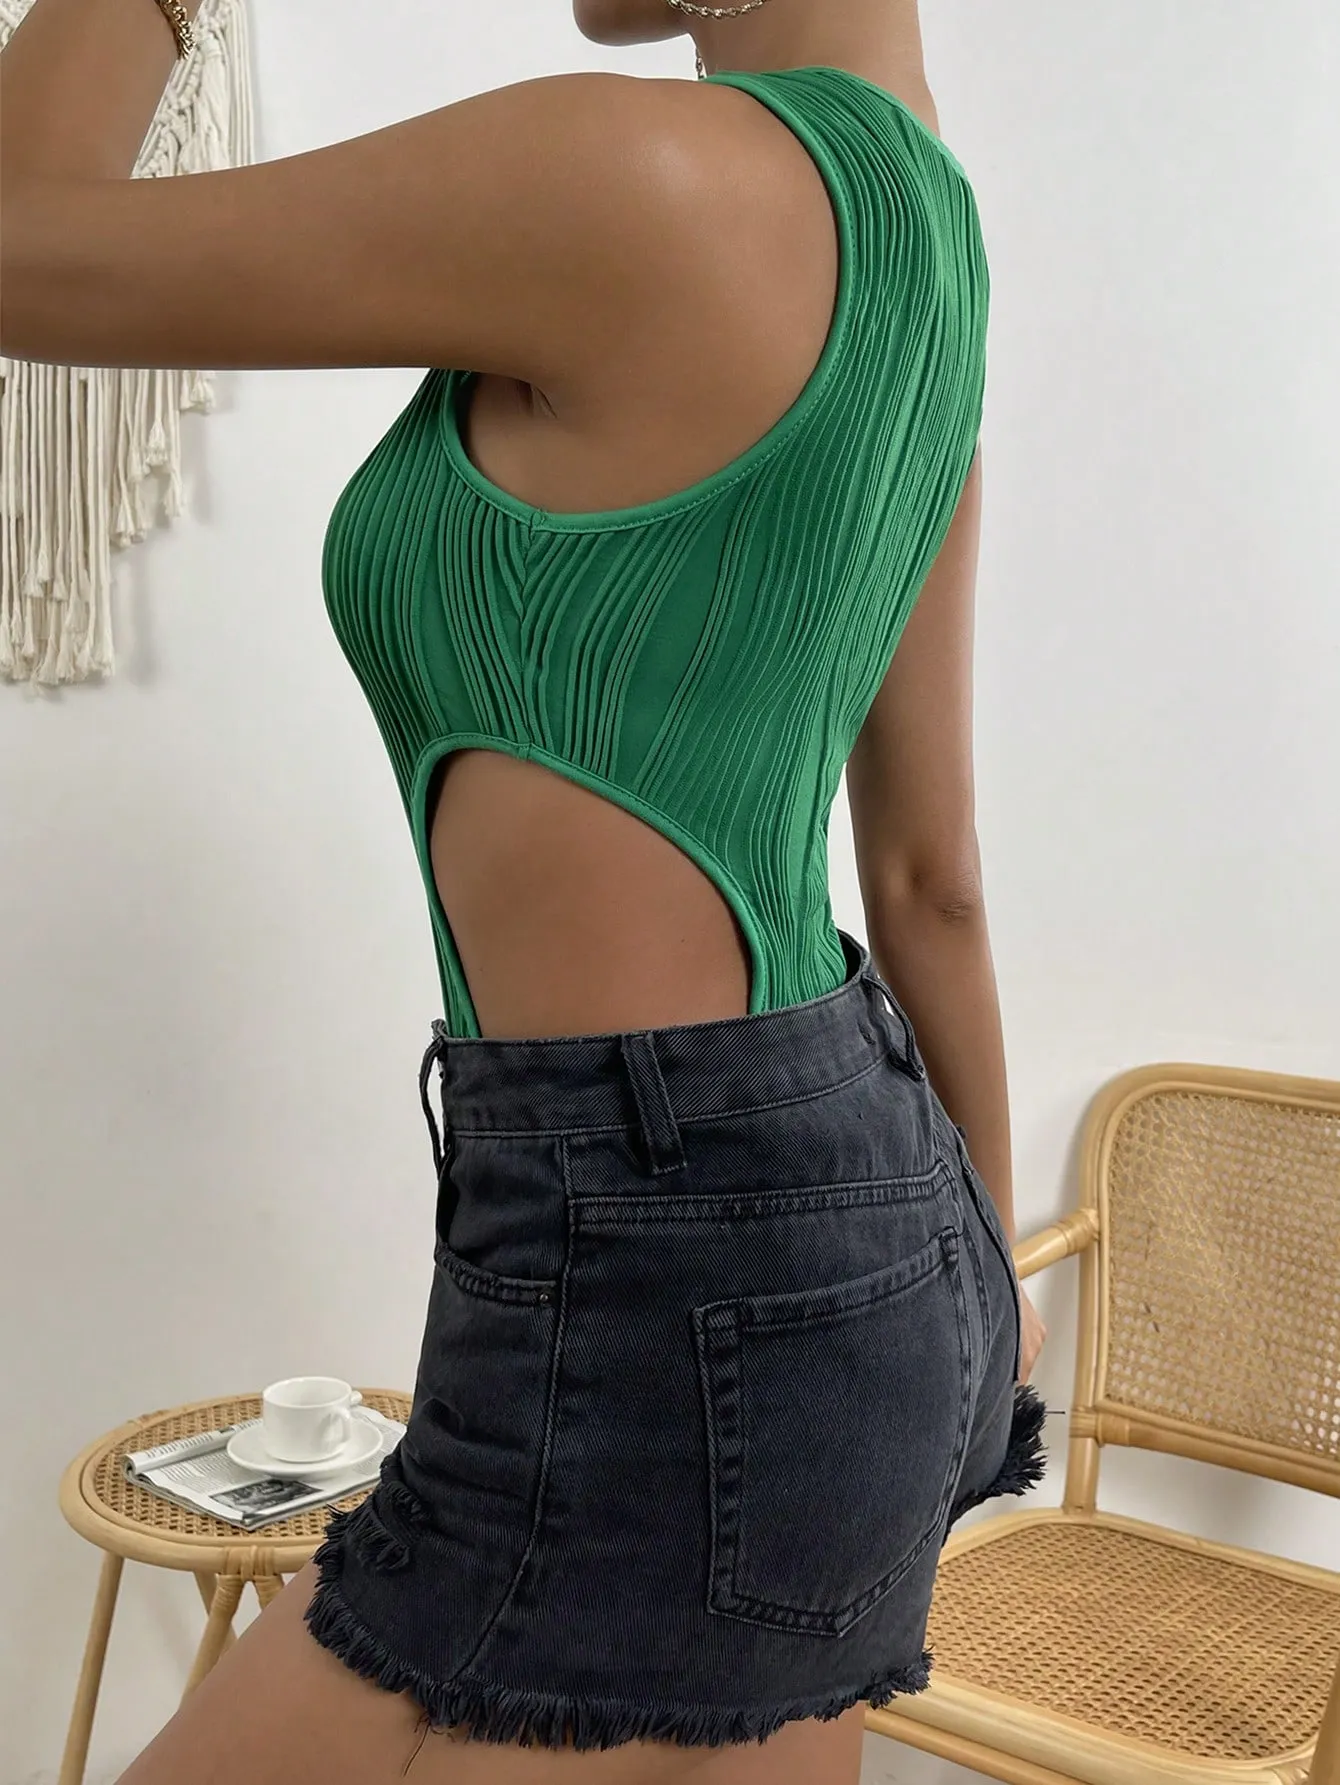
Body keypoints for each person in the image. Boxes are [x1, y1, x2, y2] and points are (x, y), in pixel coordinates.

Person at [2, 0, 1051, 1779]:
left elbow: (22, 245)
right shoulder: (936, 245)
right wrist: (991, 1295)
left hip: (662, 1258)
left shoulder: (634, 175)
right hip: (888, 1234)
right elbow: (930, 878)